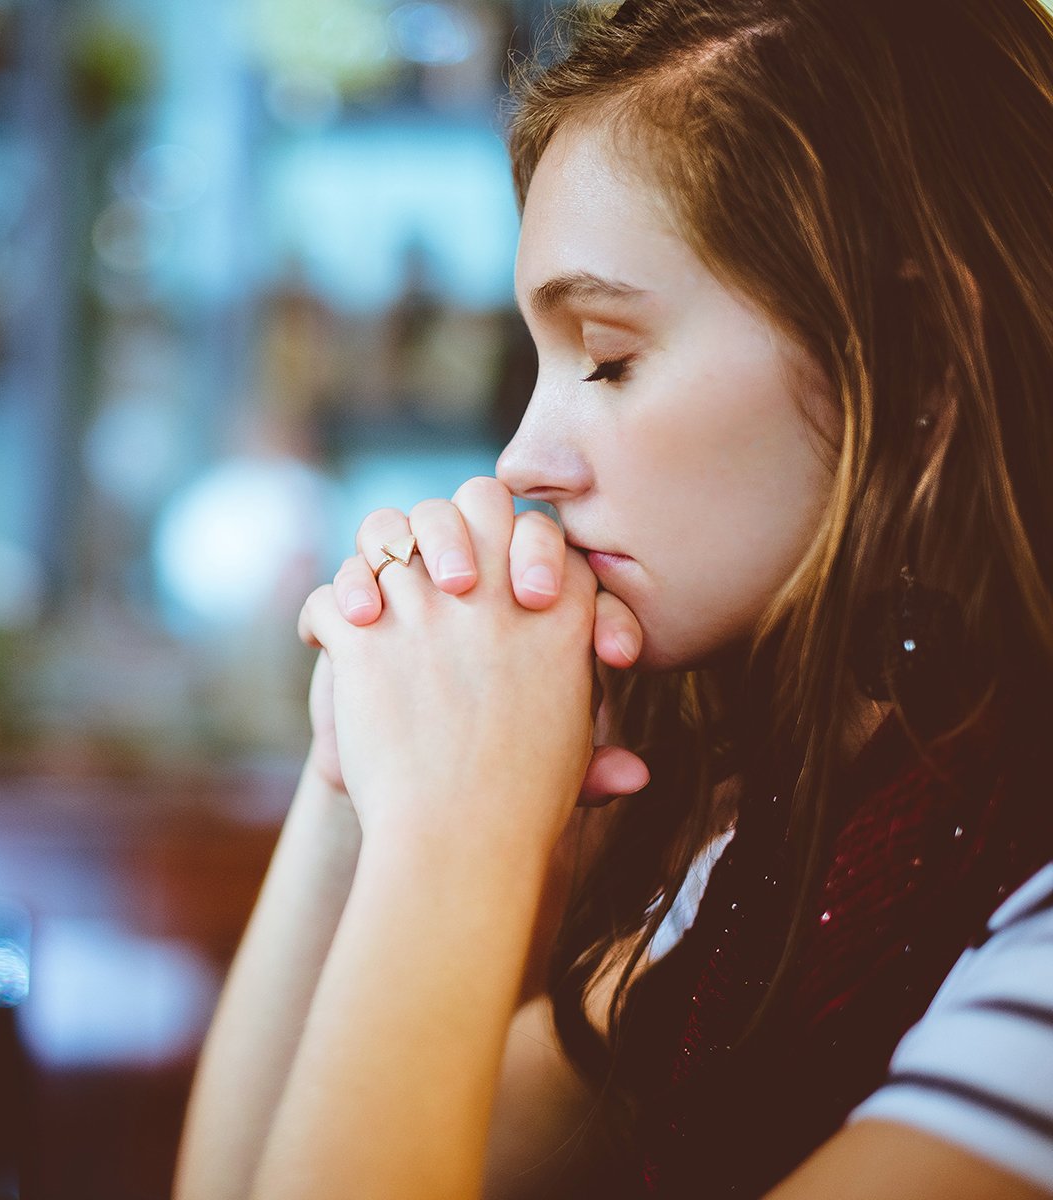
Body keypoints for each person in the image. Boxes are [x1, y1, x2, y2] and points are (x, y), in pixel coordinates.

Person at [174, 0, 1053, 1196]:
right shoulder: (778, 858)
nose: (522, 461)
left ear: (908, 360)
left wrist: (455, 836)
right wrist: (358, 779)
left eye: (610, 356)